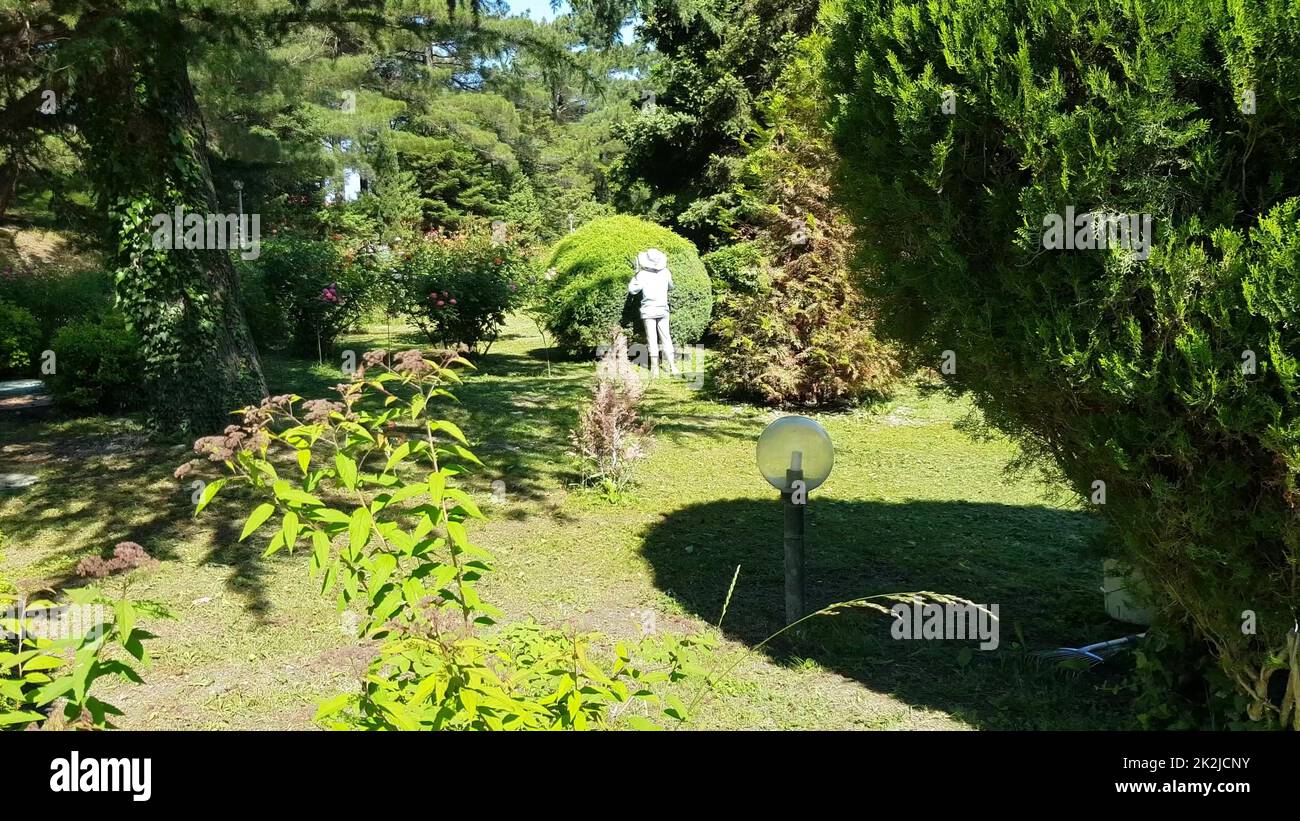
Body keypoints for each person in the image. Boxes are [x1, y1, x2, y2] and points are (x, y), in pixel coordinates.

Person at [627, 248, 680, 377]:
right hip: (663, 308)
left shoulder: (642, 275)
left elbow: (632, 290)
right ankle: (673, 367)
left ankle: (655, 369)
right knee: (666, 337)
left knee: (652, 339)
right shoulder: (666, 272)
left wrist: (636, 274)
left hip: (648, 310)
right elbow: (671, 286)